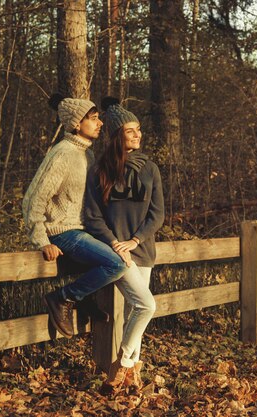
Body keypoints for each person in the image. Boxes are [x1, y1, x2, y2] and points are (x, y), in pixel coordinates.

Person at [22, 94, 129, 339]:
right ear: (76, 124)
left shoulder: (86, 154)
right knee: (116, 263)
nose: (99, 123)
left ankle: (84, 301)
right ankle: (63, 297)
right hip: (63, 233)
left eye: (99, 118)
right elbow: (33, 199)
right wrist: (42, 241)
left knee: (119, 255)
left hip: (81, 230)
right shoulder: (62, 154)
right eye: (93, 119)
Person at [84, 97, 164, 393]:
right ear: (118, 135)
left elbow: (158, 214)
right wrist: (116, 243)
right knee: (147, 306)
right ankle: (122, 365)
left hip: (142, 249)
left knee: (135, 312)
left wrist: (135, 240)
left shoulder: (150, 169)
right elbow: (92, 217)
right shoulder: (99, 170)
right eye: (130, 131)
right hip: (114, 253)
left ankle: (130, 376)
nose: (137, 135)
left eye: (138, 129)